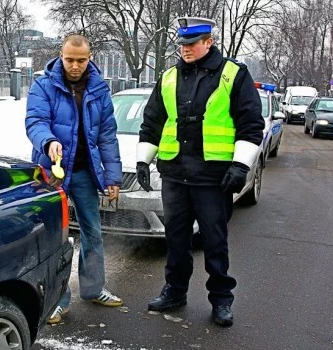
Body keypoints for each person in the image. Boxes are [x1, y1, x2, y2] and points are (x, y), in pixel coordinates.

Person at [135, 17, 264, 327]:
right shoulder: (168, 77)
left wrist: (240, 166)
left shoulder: (234, 74)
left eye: (191, 44)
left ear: (208, 42)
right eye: (182, 45)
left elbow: (251, 124)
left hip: (213, 178)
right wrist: (143, 159)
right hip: (175, 175)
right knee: (176, 240)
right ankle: (175, 291)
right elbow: (152, 121)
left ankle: (221, 300)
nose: (185, 50)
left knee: (214, 242)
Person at [25, 34, 124, 325]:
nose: (76, 66)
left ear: (90, 57)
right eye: (70, 59)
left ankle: (94, 289)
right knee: (56, 237)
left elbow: (107, 135)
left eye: (81, 60)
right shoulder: (44, 85)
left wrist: (113, 177)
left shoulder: (99, 89)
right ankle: (57, 300)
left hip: (84, 174)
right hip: (51, 174)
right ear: (61, 55)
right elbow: (35, 121)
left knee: (92, 232)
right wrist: (48, 142)